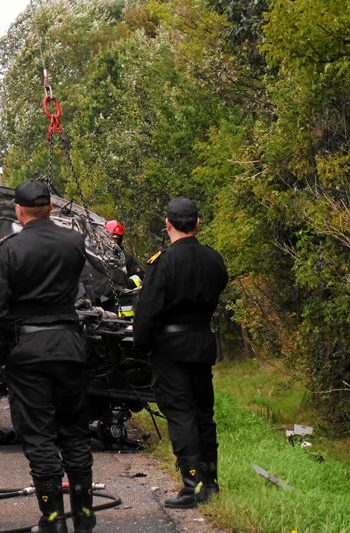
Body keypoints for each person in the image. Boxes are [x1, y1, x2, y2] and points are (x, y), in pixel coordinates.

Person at [0, 180, 94, 533]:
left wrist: (0, 354)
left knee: (40, 437)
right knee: (75, 434)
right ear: (50, 208)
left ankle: (53, 521)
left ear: (18, 210)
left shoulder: (8, 250)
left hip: (28, 353)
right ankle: (85, 518)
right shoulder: (74, 243)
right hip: (69, 348)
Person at [132, 197, 228, 509]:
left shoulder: (163, 262)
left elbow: (146, 310)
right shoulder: (213, 260)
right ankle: (210, 481)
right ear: (198, 224)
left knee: (181, 414)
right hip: (201, 343)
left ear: (168, 224)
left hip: (170, 348)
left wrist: (141, 345)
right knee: (203, 413)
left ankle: (192, 484)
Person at [105, 220, 144, 288]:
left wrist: (127, 283)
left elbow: (140, 277)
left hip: (119, 296)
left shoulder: (126, 258)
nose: (113, 242)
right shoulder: (95, 254)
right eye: (111, 238)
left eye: (116, 239)